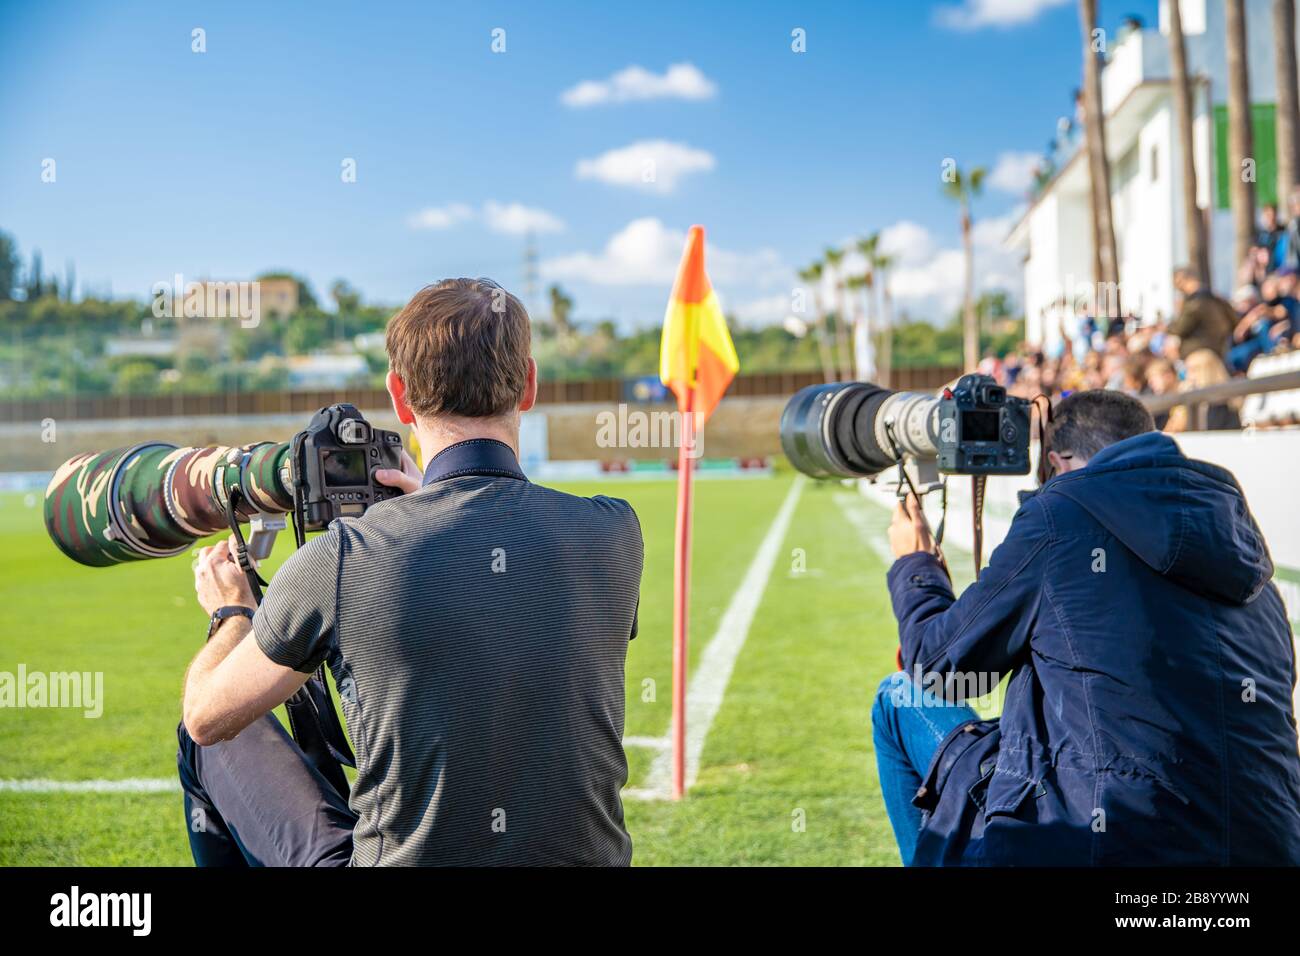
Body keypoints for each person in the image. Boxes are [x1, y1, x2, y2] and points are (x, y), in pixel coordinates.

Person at [177, 278, 644, 866]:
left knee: (208, 736)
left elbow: (207, 718)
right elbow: (501, 606)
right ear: (528, 385)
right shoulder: (613, 532)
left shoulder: (345, 557)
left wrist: (232, 612)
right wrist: (436, 507)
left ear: (399, 396)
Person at [871, 389, 1300, 866]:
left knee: (897, 698)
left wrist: (916, 567)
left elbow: (937, 670)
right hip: (1269, 843)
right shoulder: (1242, 543)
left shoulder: (1061, 513)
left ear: (1060, 460)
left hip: (1110, 842)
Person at [1168, 267, 1235, 358]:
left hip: (1203, 348)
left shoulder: (1195, 302)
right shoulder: (1213, 296)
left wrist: (1167, 327)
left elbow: (1180, 329)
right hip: (1220, 345)